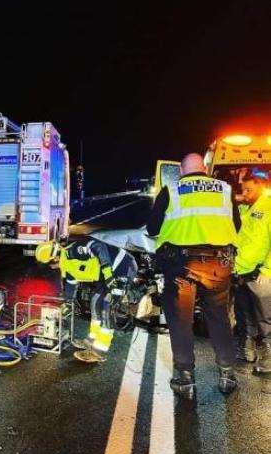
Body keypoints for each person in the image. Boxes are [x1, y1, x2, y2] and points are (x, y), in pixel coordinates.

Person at [147, 152, 240, 398]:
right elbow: (237, 225)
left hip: (182, 265)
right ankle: (227, 374)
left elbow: (152, 228)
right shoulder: (224, 189)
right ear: (205, 169)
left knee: (180, 320)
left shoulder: (172, 190)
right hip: (219, 263)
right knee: (219, 317)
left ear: (181, 171)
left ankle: (185, 378)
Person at [35, 239, 137, 363]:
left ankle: (99, 351)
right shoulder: (66, 266)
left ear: (55, 258)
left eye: (50, 265)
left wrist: (107, 271)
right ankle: (92, 340)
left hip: (122, 267)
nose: (51, 268)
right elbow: (71, 284)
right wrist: (68, 302)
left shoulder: (74, 251)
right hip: (105, 276)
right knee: (95, 303)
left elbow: (98, 246)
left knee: (107, 309)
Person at [233, 173, 271, 373]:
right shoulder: (243, 209)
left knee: (265, 317)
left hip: (261, 273)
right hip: (241, 270)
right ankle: (247, 350)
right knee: (244, 312)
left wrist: (267, 269)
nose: (245, 194)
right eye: (243, 190)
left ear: (261, 187)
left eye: (249, 190)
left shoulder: (268, 207)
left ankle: (269, 358)